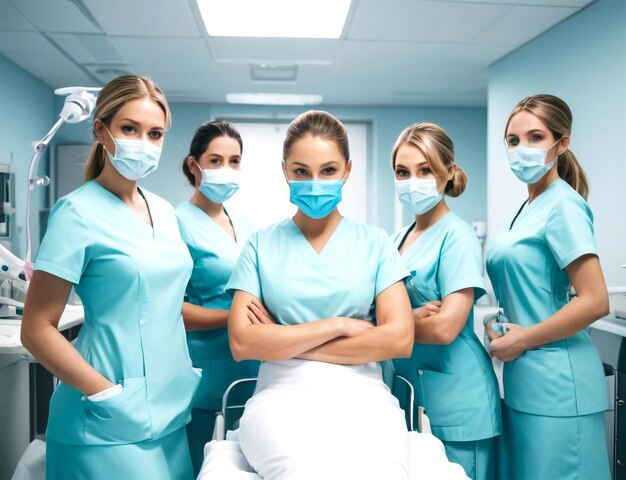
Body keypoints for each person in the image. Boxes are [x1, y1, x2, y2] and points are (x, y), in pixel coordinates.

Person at [224, 110, 468, 480]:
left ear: (347, 171)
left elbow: (400, 339)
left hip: (365, 395)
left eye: (328, 170)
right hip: (279, 395)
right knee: (300, 470)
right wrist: (343, 325)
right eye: (301, 171)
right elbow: (242, 343)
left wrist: (280, 340)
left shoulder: (377, 245)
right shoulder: (260, 246)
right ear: (285, 170)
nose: (314, 181)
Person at [20, 75, 200, 479]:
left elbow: (165, 305)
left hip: (170, 414)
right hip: (106, 422)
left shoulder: (166, 212)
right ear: (101, 130)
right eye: (129, 128)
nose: (144, 142)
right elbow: (36, 328)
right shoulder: (77, 212)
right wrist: (105, 393)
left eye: (155, 134)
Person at [486, 94, 610, 479]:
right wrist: (500, 322)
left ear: (562, 143)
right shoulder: (527, 208)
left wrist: (523, 339)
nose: (522, 149)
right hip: (528, 380)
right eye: (513, 140)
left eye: (535, 137)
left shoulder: (564, 206)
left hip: (559, 385)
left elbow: (594, 301)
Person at [390, 123, 501, 479]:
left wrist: (389, 323)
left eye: (425, 170)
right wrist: (400, 318)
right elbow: (379, 311)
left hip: (457, 398)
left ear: (447, 172)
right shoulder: (398, 238)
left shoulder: (458, 236)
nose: (413, 181)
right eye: (403, 172)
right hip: (413, 390)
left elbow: (445, 327)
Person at [176, 121, 259, 474]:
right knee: (198, 464)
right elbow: (169, 309)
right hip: (202, 366)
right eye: (216, 160)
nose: (226, 169)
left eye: (235, 161)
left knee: (245, 461)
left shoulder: (243, 222)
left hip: (248, 361)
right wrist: (234, 316)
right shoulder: (175, 222)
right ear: (194, 165)